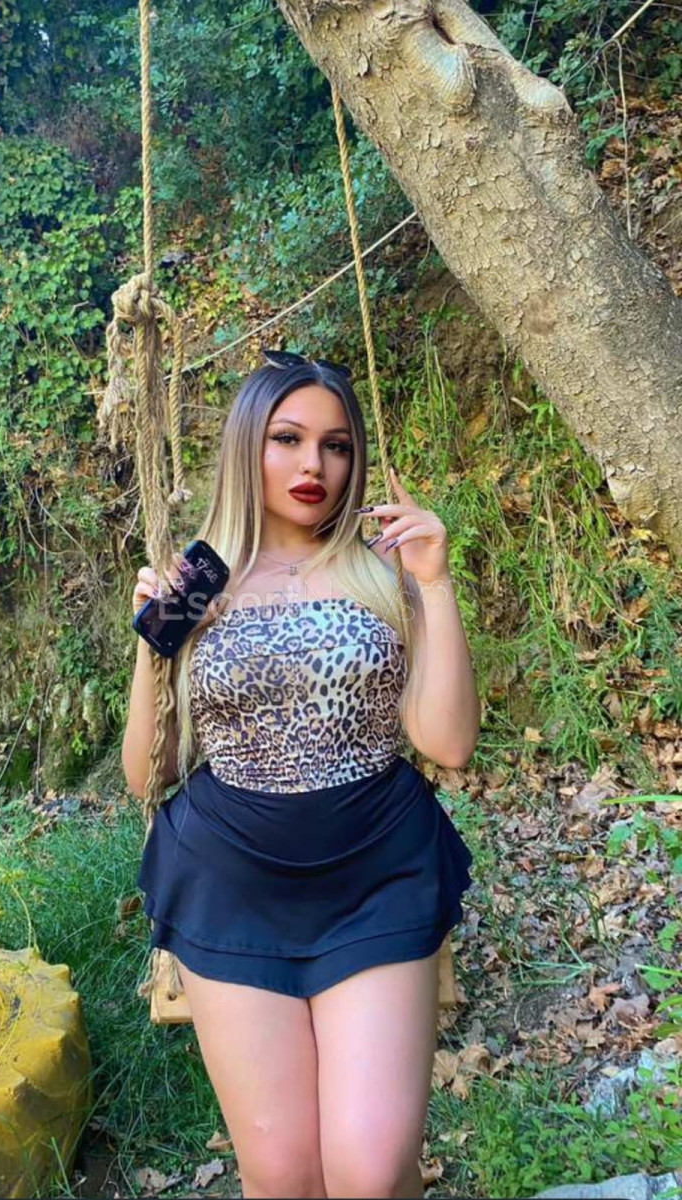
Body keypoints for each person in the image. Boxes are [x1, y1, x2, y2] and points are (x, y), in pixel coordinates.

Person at [122, 349, 480, 1200]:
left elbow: (448, 743)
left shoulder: (384, 569)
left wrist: (436, 585)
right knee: (282, 1174)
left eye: (336, 445)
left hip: (375, 872)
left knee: (371, 1169)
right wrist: (153, 640)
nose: (314, 464)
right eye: (287, 439)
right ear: (248, 445)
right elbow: (149, 775)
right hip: (230, 882)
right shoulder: (198, 580)